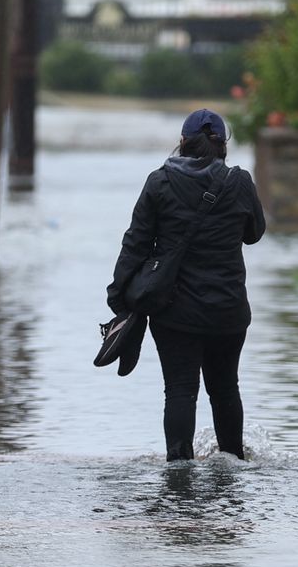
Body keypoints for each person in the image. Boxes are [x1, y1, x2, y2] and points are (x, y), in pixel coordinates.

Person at [107, 108, 266, 461]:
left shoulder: (160, 181)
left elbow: (135, 242)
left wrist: (118, 295)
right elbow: (254, 234)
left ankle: (179, 472)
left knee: (180, 391)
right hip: (228, 309)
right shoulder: (239, 182)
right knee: (225, 388)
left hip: (174, 311)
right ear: (223, 144)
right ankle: (232, 464)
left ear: (182, 142)